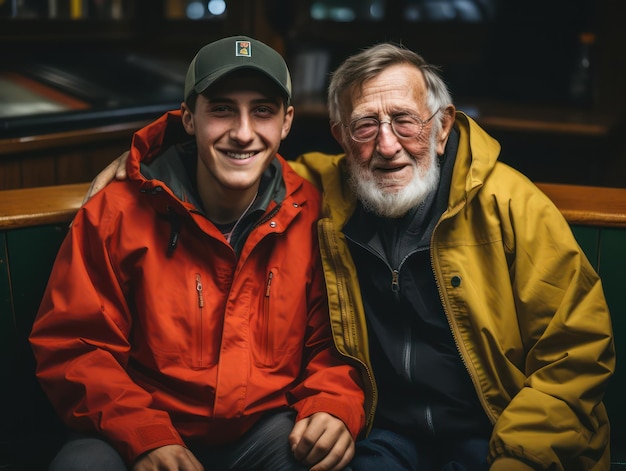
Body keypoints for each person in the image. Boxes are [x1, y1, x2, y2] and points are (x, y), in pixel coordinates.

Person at [84, 41, 615, 471]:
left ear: (443, 125)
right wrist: (144, 160)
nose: (387, 146)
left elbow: (579, 350)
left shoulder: (511, 205)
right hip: (389, 436)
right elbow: (244, 154)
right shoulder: (327, 191)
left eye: (405, 121)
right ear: (341, 137)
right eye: (365, 125)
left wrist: (520, 457)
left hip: (499, 432)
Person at [29, 36, 367, 471]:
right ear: (189, 118)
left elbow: (335, 344)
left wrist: (333, 404)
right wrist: (145, 437)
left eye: (262, 111)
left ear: (286, 123)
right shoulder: (118, 212)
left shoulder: (311, 212)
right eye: (222, 109)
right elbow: (76, 347)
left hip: (262, 432)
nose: (243, 133)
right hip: (131, 427)